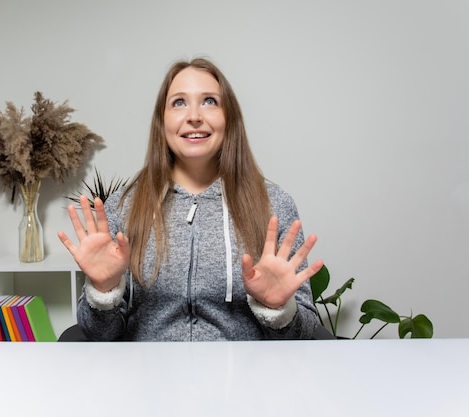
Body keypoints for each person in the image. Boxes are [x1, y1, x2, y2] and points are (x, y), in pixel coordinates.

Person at [58, 57, 323, 341]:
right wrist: (103, 290)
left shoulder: (273, 205)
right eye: (179, 103)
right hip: (146, 379)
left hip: (244, 380)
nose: (194, 116)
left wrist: (278, 307)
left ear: (229, 118)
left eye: (209, 101)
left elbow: (303, 335)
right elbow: (99, 335)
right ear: (162, 121)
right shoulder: (123, 207)